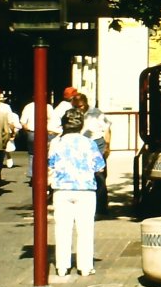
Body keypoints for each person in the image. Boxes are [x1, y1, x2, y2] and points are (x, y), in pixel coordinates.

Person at [48, 108, 105, 277]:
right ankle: (85, 266)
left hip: (62, 188)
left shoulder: (56, 143)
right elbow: (99, 166)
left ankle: (62, 266)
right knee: (85, 228)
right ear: (81, 125)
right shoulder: (89, 143)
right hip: (85, 188)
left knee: (62, 228)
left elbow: (50, 164)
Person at [73, 92, 111, 215]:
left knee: (99, 175)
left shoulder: (96, 113)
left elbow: (107, 128)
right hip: (80, 144)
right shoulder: (73, 113)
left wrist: (107, 145)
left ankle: (101, 206)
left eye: (81, 106)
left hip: (96, 143)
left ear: (85, 103)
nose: (79, 109)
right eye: (76, 107)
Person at [19, 97, 54, 184]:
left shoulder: (28, 107)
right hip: (46, 132)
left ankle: (32, 175)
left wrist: (28, 130)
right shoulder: (48, 107)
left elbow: (23, 122)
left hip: (32, 132)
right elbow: (53, 120)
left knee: (32, 154)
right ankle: (45, 174)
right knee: (46, 154)